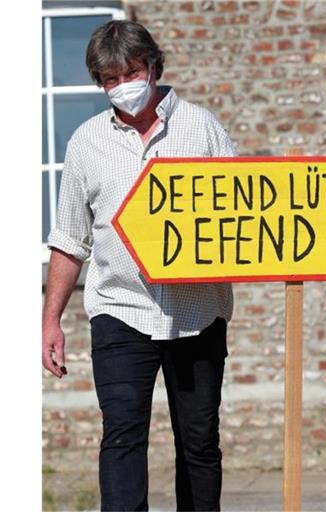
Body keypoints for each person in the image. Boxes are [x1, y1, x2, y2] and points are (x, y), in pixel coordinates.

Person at [42, 20, 237, 511]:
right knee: (123, 436)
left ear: (153, 66)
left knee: (199, 440)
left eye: (131, 71)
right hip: (119, 309)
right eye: (110, 79)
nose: (123, 86)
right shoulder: (86, 143)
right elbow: (70, 239)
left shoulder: (203, 128)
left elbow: (245, 216)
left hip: (197, 312)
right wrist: (51, 321)